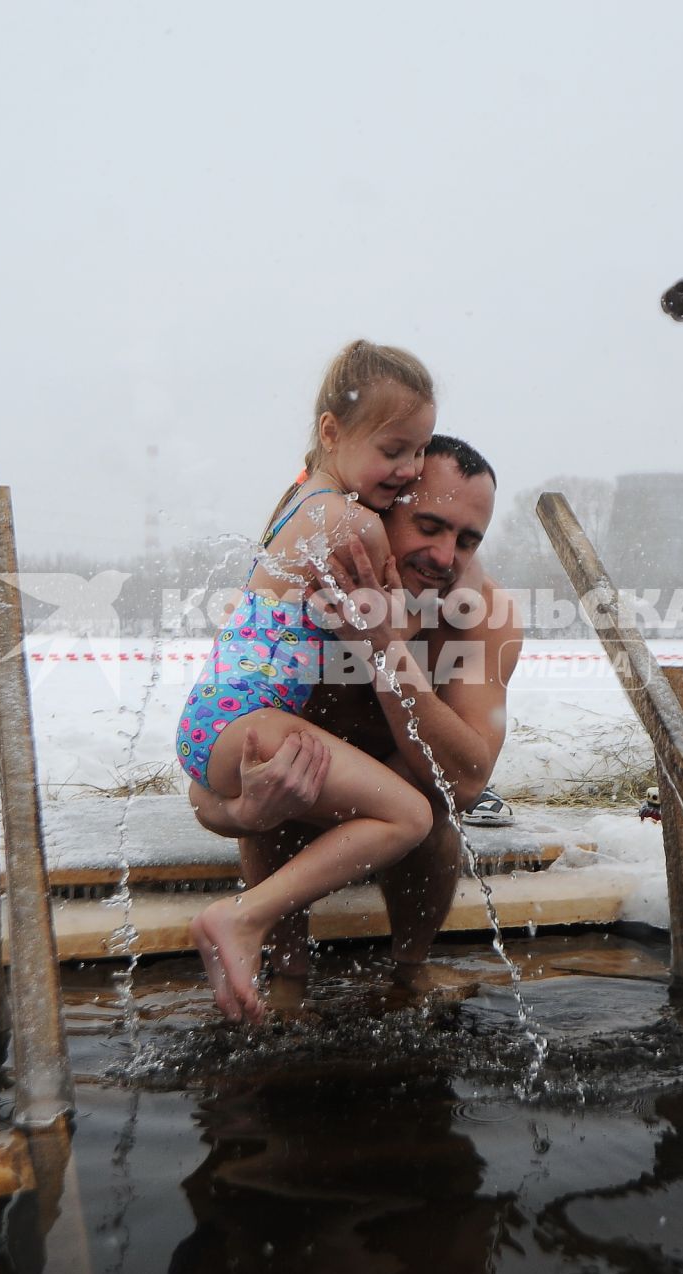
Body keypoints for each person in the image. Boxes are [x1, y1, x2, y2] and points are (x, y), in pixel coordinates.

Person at [191, 434, 521, 1003]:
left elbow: (464, 782)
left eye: (467, 539)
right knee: (281, 768)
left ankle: (409, 970)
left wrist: (384, 649)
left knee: (431, 800)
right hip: (307, 792)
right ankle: (286, 975)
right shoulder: (300, 587)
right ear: (379, 509)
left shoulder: (480, 617)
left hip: (406, 803)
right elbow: (211, 769)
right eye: (429, 526)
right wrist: (241, 811)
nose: (445, 557)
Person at [177, 339, 441, 1025]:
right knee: (408, 814)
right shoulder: (352, 523)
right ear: (331, 431)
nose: (410, 470)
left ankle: (282, 967)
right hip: (254, 721)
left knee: (362, 808)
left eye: (420, 450)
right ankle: (244, 919)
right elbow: (394, 630)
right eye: (394, 449)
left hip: (217, 721)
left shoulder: (295, 500)